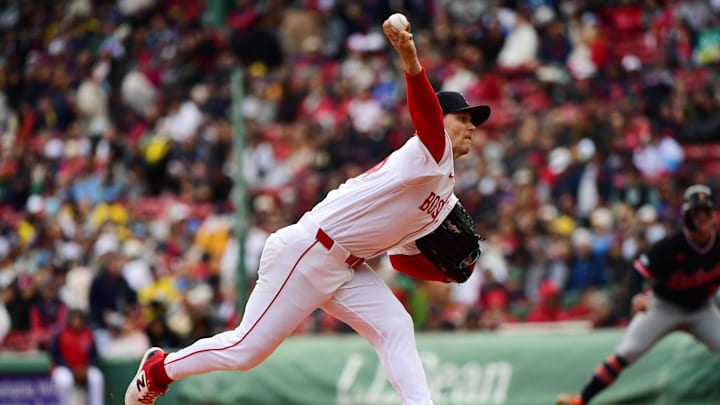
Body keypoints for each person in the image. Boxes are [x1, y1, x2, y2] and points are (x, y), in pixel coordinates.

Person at [124, 16, 491, 405]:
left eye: (475, 122)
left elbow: (402, 260)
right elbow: (428, 120)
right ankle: (158, 371)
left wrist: (451, 275)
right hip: (307, 251)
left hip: (346, 266)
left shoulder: (444, 194)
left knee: (396, 324)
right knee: (246, 351)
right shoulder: (429, 152)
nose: (471, 127)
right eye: (463, 118)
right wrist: (411, 62)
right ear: (443, 119)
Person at [557, 184, 720, 405]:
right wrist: (636, 296)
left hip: (701, 309)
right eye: (696, 212)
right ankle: (581, 400)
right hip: (665, 306)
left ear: (713, 214)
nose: (701, 217)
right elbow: (637, 272)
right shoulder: (671, 246)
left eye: (705, 211)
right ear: (686, 216)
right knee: (626, 352)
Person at [49, 309, 104, 405]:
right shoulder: (61, 334)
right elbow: (55, 356)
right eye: (74, 319)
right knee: (64, 380)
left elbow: (94, 356)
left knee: (96, 377)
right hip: (64, 368)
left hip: (83, 367)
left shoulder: (88, 334)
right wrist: (71, 368)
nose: (76, 322)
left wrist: (87, 367)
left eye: (79, 319)